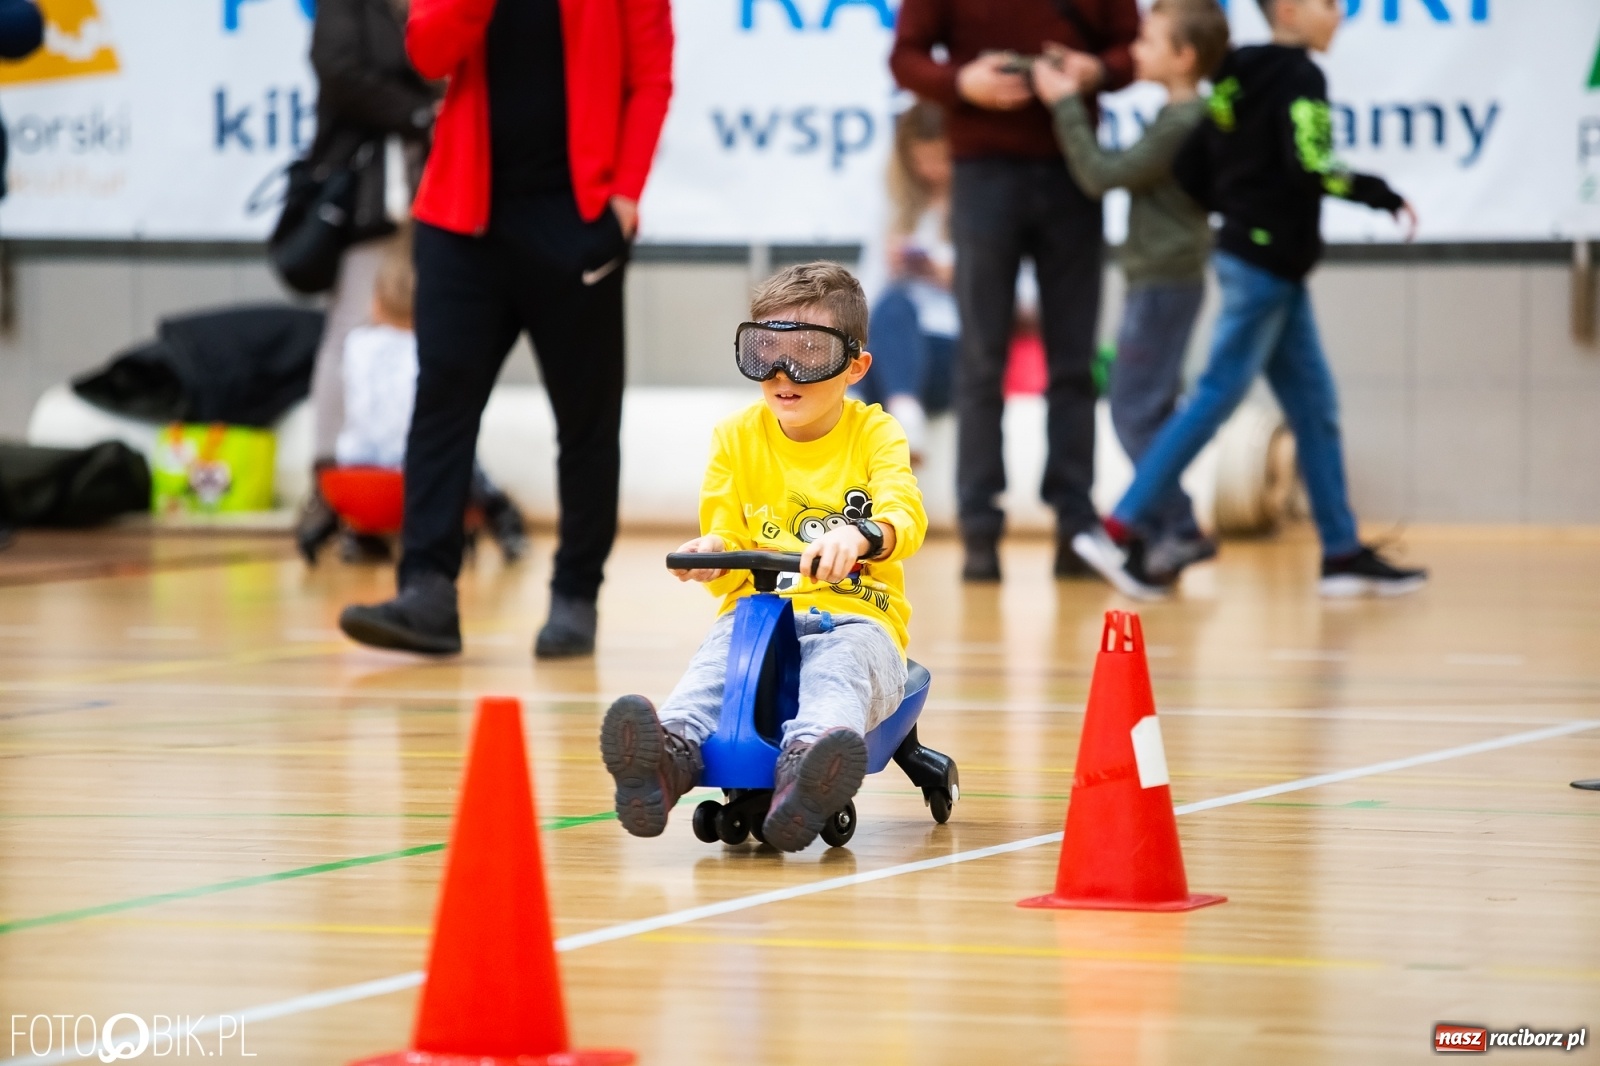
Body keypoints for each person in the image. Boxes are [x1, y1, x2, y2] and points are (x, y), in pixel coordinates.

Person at [338, 0, 674, 658]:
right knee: (442, 407)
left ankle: (575, 594)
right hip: (463, 221)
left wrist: (623, 200)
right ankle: (428, 592)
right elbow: (428, 52)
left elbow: (651, 78)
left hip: (576, 221)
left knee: (586, 422)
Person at [1071, 0, 1428, 599]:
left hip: (1267, 264)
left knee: (1314, 407)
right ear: (1287, 10)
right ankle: (1117, 526)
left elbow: (1192, 164)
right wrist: (1381, 194)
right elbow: (1313, 162)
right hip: (1264, 266)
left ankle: (1341, 551)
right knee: (1215, 396)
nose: (1339, 13)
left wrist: (1238, 208)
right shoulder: (1300, 76)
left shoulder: (1236, 74)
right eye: (1326, 3)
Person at [597, 263, 928, 853]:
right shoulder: (735, 437)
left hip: (858, 619)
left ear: (855, 367)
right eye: (766, 352)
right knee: (714, 668)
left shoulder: (876, 433)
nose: (782, 374)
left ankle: (809, 767)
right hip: (760, 617)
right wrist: (711, 552)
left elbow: (904, 514)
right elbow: (725, 533)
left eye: (808, 353)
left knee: (838, 671)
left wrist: (859, 537)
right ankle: (667, 757)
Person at [890, 0, 1140, 583]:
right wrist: (961, 82)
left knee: (1073, 361)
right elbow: (904, 57)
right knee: (981, 360)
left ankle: (1075, 527)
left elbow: (1131, 49)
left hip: (1074, 169)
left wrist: (1095, 71)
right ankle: (979, 530)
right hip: (983, 174)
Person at [1031, 0, 1229, 584]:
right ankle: (1167, 529)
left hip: (1164, 282)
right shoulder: (1179, 115)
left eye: (1148, 41)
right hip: (1163, 280)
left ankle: (1178, 527)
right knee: (1151, 409)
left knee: (1132, 410)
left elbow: (1101, 174)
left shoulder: (1182, 122)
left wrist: (1066, 104)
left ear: (1183, 57)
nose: (1134, 51)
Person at [295, 0, 438, 564]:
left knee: (432, 341)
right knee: (352, 333)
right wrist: (420, 113)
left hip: (436, 192)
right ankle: (330, 480)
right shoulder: (350, 7)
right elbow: (338, 71)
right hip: (367, 195)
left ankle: (415, 484)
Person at [854, 101, 958, 465]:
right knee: (888, 310)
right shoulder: (895, 210)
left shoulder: (981, 212)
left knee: (891, 321)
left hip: (952, 349)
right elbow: (864, 296)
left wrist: (943, 275)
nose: (931, 171)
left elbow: (1020, 301)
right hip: (892, 344)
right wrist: (893, 266)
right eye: (921, 161)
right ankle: (905, 416)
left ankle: (880, 419)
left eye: (941, 159)